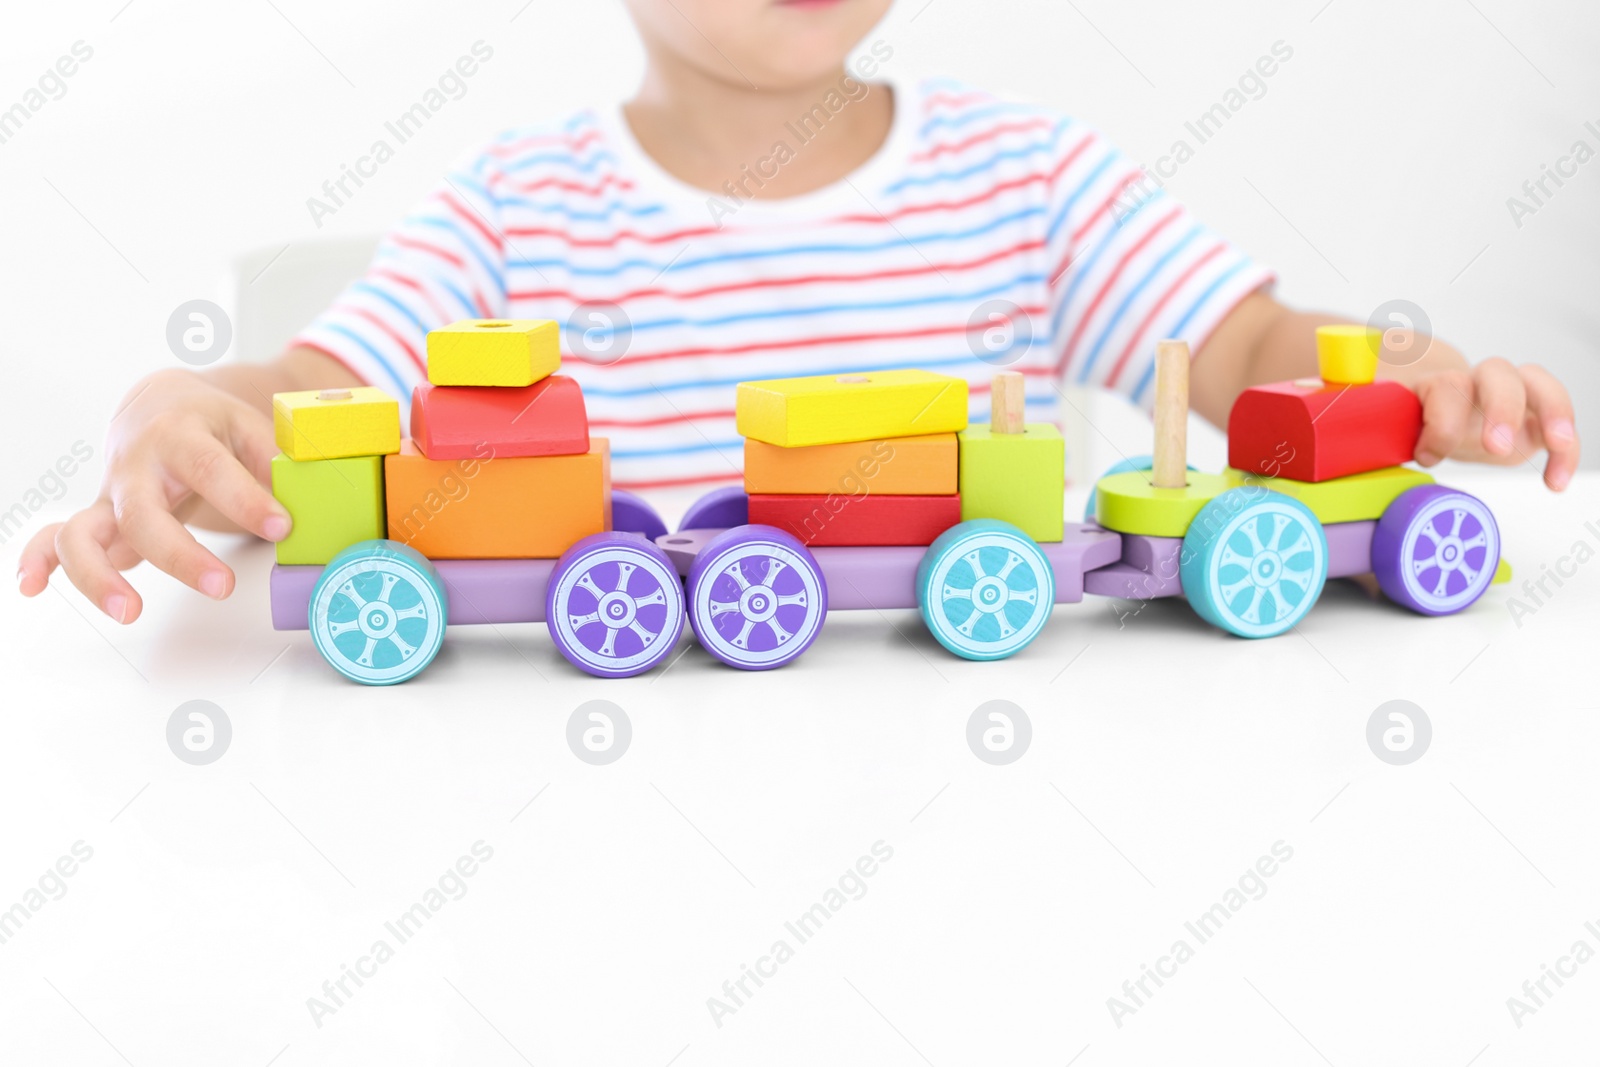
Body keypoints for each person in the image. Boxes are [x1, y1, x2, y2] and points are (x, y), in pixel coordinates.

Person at [18, 0, 1579, 625]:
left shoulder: (1023, 176)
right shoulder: (515, 207)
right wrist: (171, 416)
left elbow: (1243, 355)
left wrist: (1395, 387)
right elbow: (301, 391)